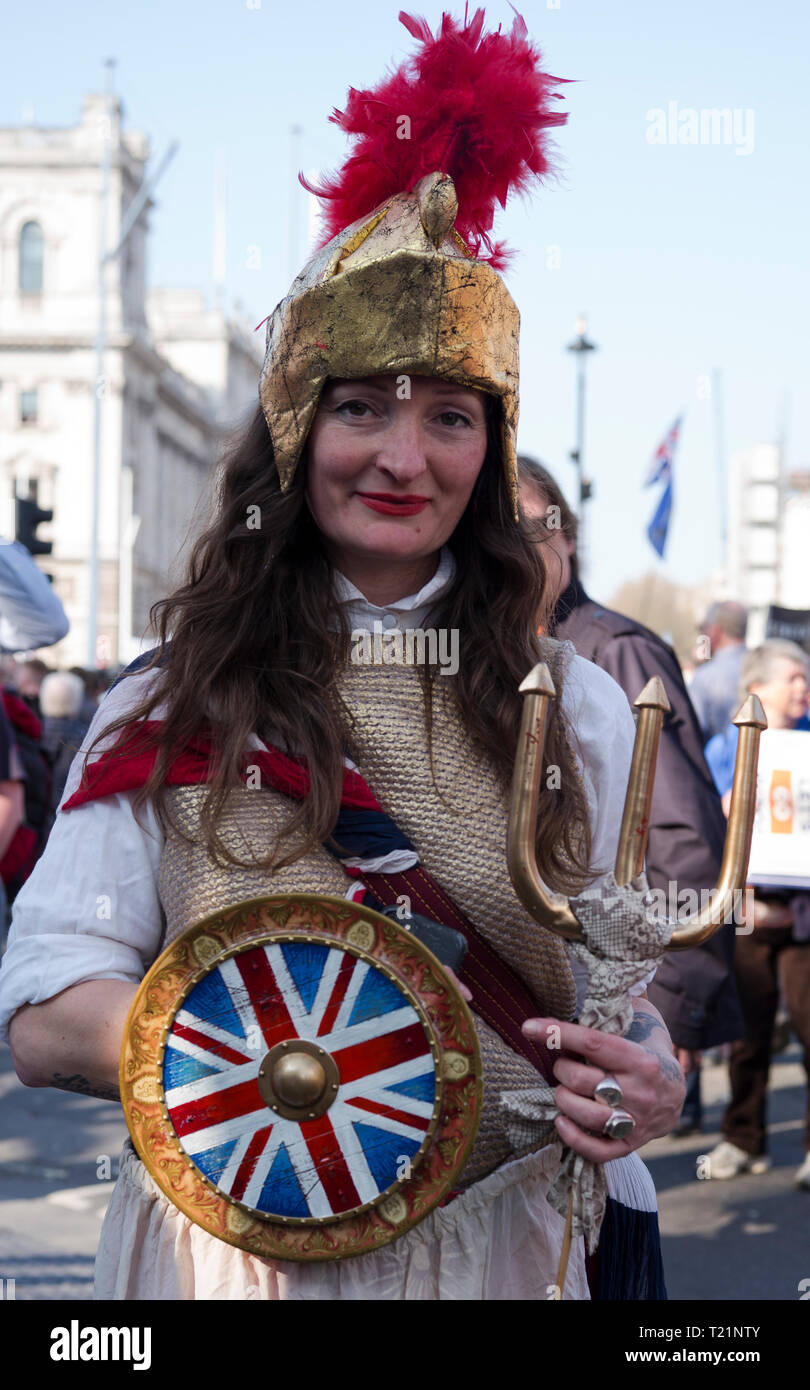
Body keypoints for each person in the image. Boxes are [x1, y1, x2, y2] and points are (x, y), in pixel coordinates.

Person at [0, 10, 684, 1301]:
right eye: (359, 406)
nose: (401, 457)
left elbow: (617, 999)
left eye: (448, 416)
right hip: (233, 1256)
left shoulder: (577, 703)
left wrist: (651, 1071)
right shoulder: (172, 693)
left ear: (489, 452)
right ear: (292, 436)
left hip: (507, 1253)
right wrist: (293, 1068)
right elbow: (45, 1013)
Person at [518, 457, 742, 1134]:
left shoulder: (609, 654)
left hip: (614, 1010)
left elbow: (676, 833)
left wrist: (664, 1010)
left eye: (531, 527)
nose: (511, 545)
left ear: (569, 537)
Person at [702, 641, 810, 1188]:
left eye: (805, 679)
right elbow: (707, 816)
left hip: (804, 915)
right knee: (747, 1033)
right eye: (792, 678)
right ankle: (743, 1138)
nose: (802, 688)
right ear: (758, 687)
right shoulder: (728, 746)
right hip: (747, 910)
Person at [688, 601, 748, 743]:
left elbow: (691, 734)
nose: (701, 636)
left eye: (703, 629)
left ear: (715, 631)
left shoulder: (706, 677)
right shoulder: (763, 666)